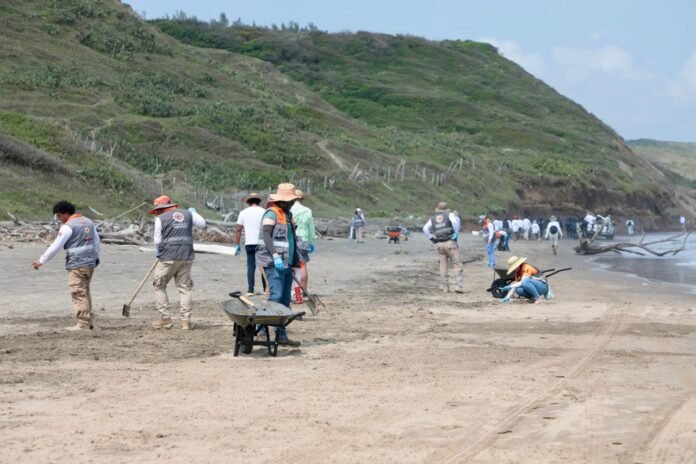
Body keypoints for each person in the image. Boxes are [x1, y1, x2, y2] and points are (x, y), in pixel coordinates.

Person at [32, 201, 100, 330]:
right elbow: (96, 242)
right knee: (85, 291)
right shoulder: (89, 222)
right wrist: (96, 257)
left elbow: (56, 246)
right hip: (90, 263)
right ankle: (90, 321)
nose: (59, 219)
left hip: (77, 263)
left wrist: (41, 260)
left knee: (78, 292)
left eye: (59, 216)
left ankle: (83, 323)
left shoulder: (68, 227)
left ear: (65, 214)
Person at [150, 195, 206, 330]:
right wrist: (193, 213)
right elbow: (202, 224)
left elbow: (157, 241)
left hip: (168, 257)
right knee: (185, 287)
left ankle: (165, 318)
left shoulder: (160, 219)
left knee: (159, 285)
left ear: (160, 208)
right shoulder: (188, 214)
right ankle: (186, 321)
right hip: (186, 255)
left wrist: (158, 251)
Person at [256, 183, 302, 346]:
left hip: (287, 262)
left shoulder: (288, 215)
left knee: (285, 299)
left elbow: (291, 240)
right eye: (290, 201)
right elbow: (266, 235)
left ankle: (281, 335)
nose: (292, 203)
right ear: (281, 200)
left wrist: (294, 261)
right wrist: (275, 255)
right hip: (272, 262)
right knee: (275, 296)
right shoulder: (272, 213)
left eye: (293, 201)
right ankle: (261, 329)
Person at [422, 202, 463, 293]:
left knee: (443, 265)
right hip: (450, 242)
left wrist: (431, 238)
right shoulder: (449, 215)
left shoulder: (432, 219)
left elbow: (425, 229)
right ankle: (458, 286)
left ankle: (445, 287)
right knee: (457, 264)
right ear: (446, 209)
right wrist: (456, 233)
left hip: (440, 244)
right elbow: (454, 222)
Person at [233, 192, 266, 296]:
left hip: (249, 242)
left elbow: (238, 229)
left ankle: (250, 290)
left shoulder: (243, 212)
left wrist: (237, 244)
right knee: (263, 265)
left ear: (248, 202)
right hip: (262, 242)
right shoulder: (264, 212)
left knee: (251, 266)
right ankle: (266, 289)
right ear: (259, 202)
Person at [290, 189, 316, 293]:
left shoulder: (289, 209)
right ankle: (303, 290)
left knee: (291, 265)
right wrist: (312, 242)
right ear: (301, 199)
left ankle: (294, 290)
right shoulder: (307, 210)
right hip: (304, 238)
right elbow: (311, 228)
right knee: (302, 264)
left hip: (291, 237)